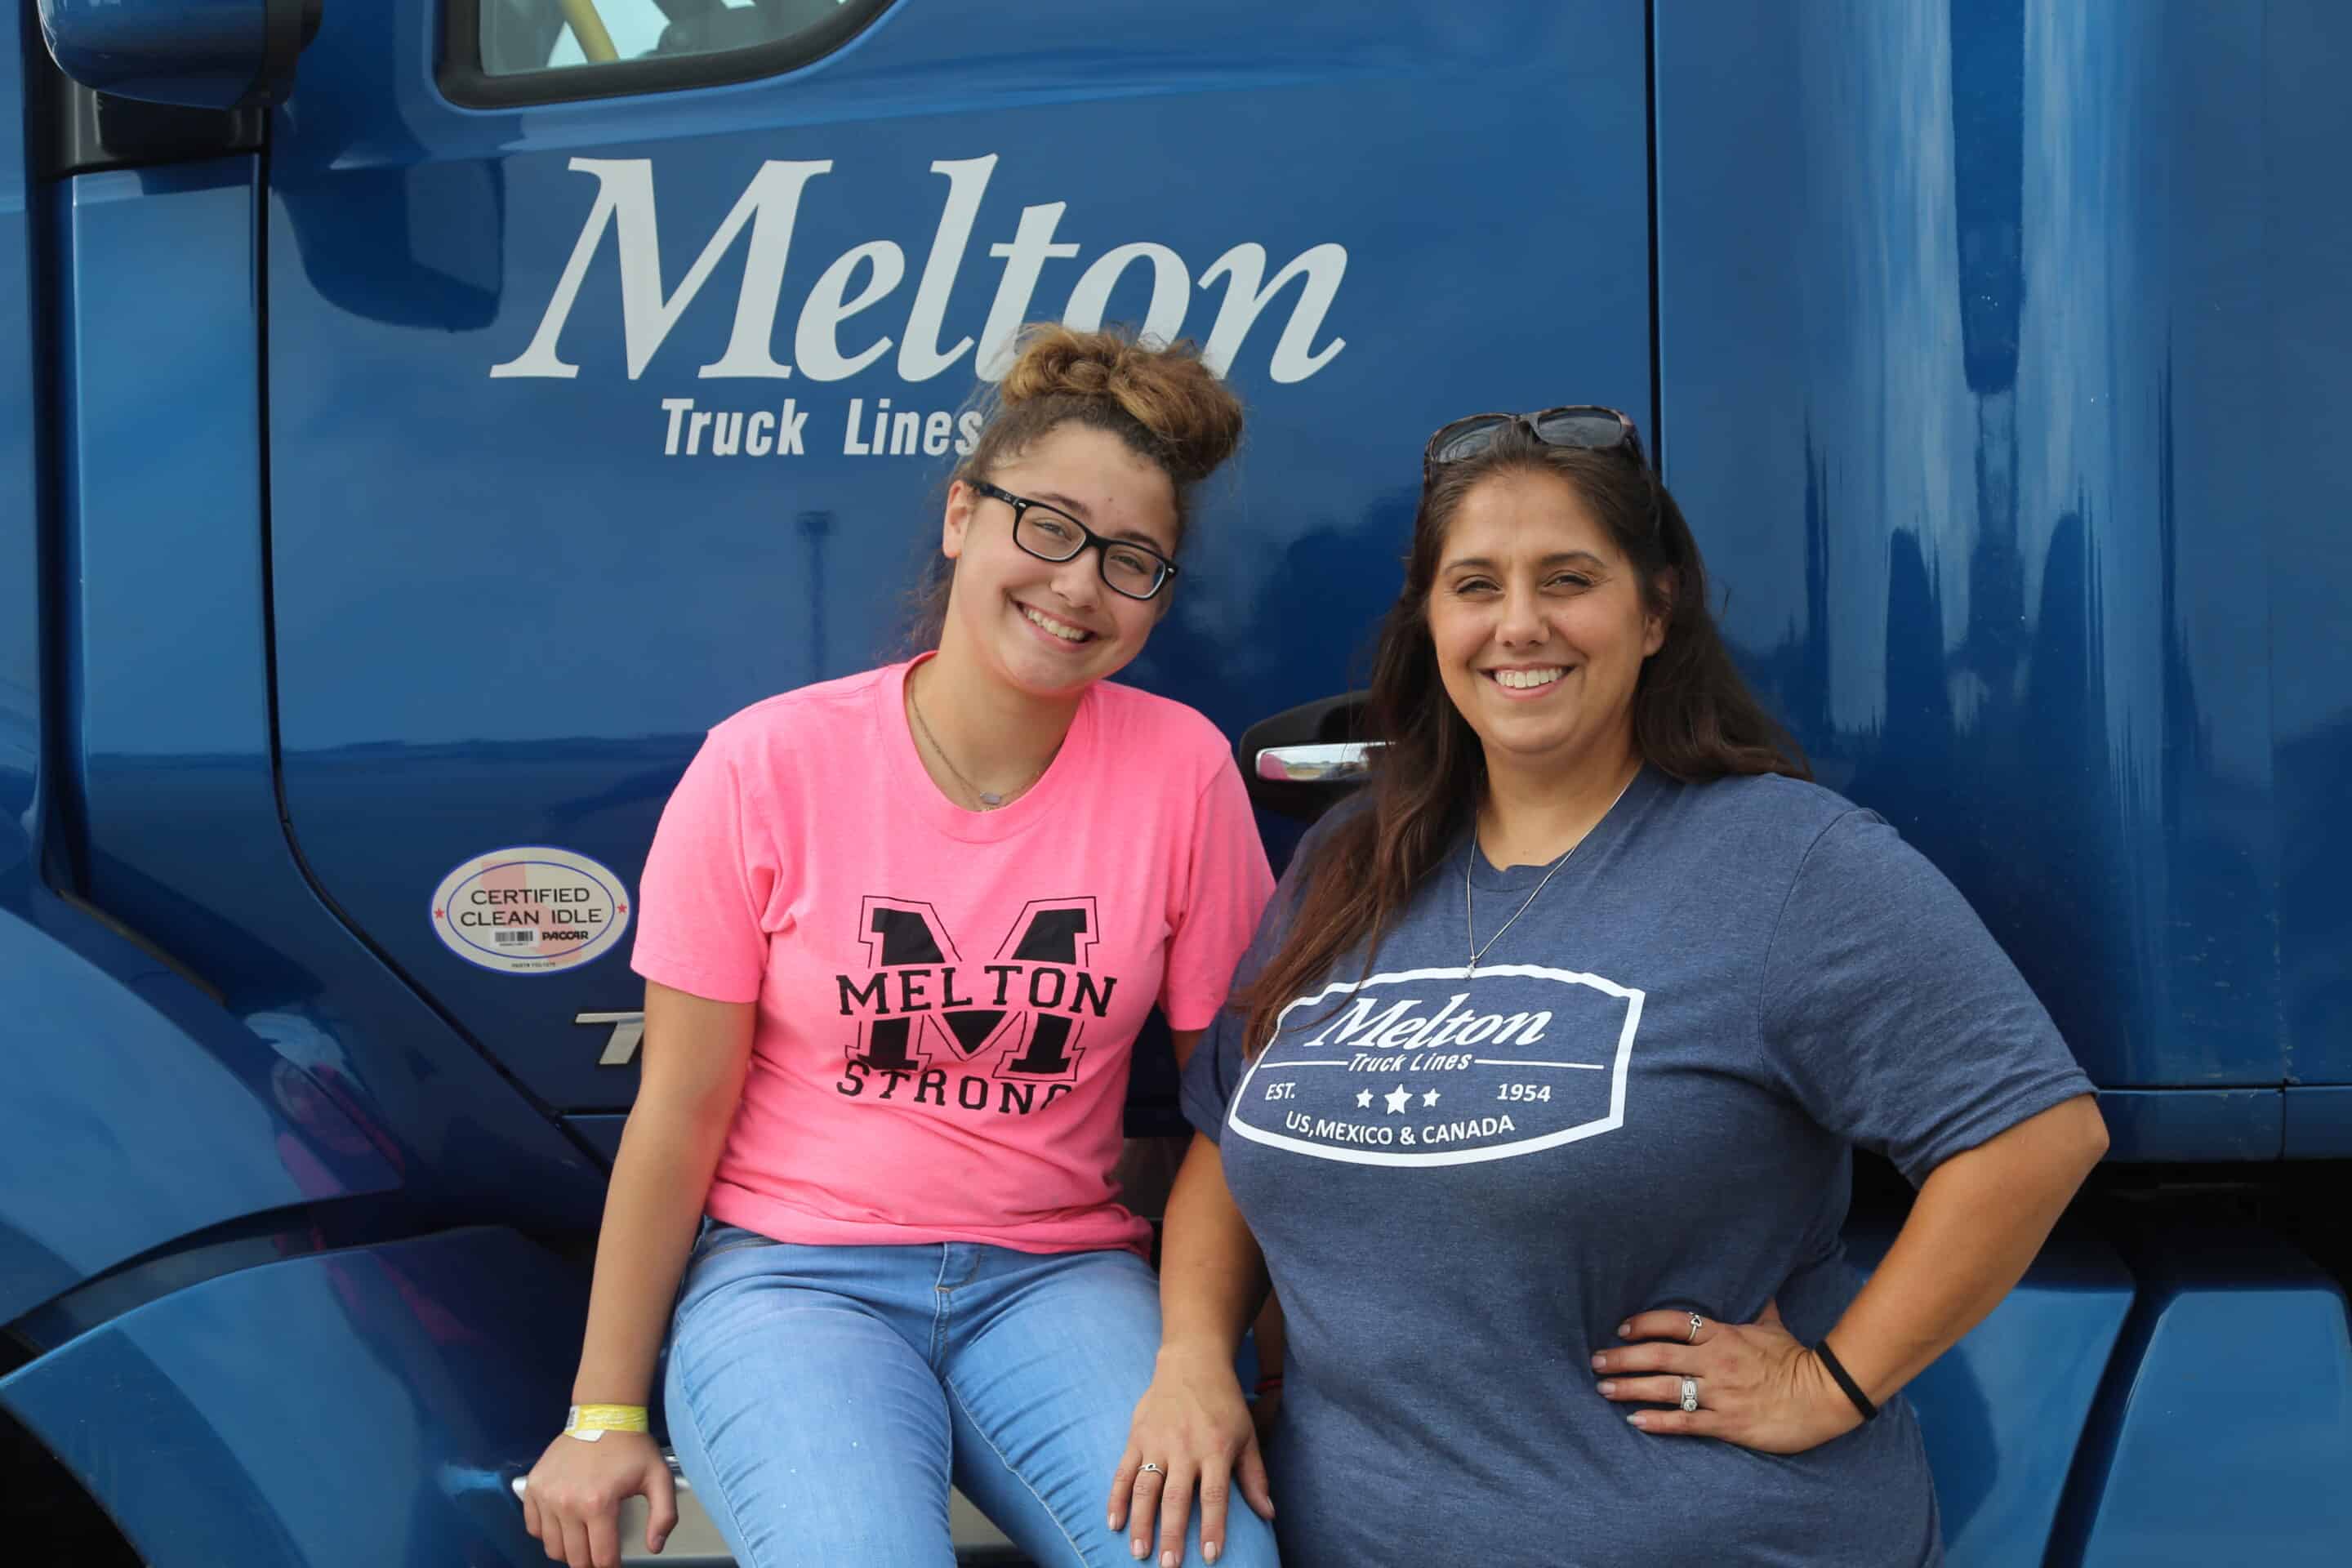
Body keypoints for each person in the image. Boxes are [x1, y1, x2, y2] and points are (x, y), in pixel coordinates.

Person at [1113, 408, 2109, 1566]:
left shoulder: (1790, 862)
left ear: (1654, 608)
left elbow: (2035, 1134)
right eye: (1476, 584)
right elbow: (1225, 1147)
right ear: (1431, 622)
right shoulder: (1352, 860)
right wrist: (1191, 1357)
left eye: (1568, 578)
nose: (1520, 624)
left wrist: (1831, 1382)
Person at [521, 326, 1281, 1568]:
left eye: (1132, 561)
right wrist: (603, 1412)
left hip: (1058, 1278)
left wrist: (1206, 1361)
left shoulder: (1181, 771)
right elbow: (678, 1110)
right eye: (1047, 527)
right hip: (793, 1283)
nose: (1079, 586)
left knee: (1215, 1556)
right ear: (960, 517)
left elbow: (1235, 1110)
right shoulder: (767, 765)